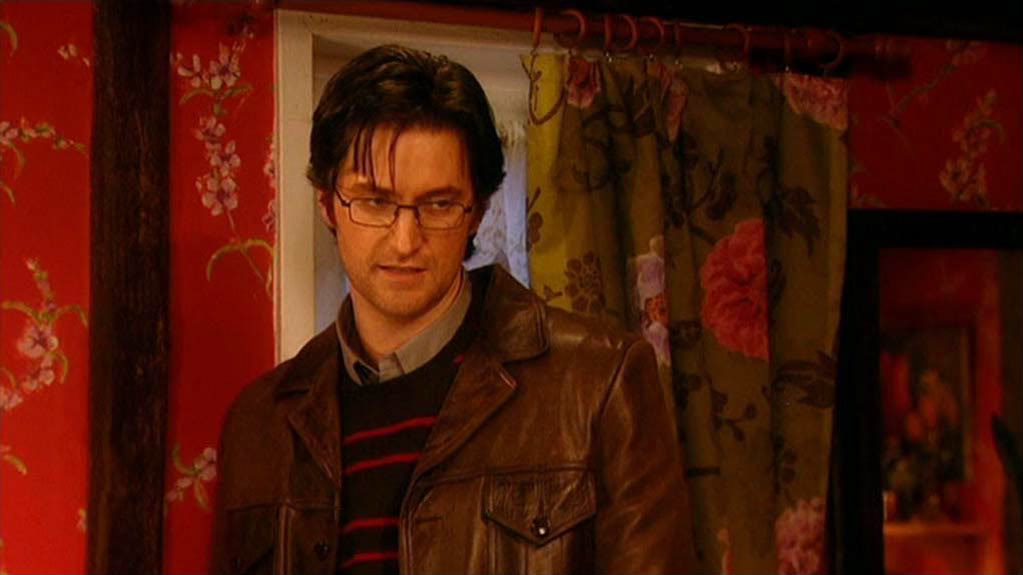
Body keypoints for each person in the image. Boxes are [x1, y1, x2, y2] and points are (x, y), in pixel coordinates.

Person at [213, 44, 694, 575]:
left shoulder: (599, 382)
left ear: (476, 212)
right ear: (329, 205)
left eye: (438, 204)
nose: (405, 240)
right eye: (375, 201)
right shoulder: (260, 424)